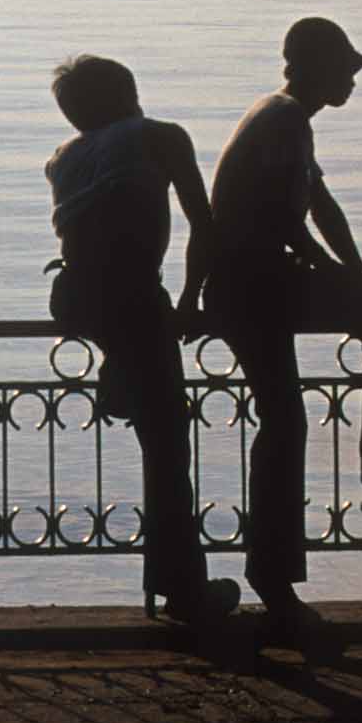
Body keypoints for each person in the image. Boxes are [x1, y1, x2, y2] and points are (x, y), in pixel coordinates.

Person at [205, 17, 362, 638]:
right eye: (347, 70)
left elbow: (322, 206)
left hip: (258, 283)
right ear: (316, 69)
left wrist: (360, 280)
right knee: (285, 420)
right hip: (256, 286)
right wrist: (347, 281)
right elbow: (291, 227)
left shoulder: (285, 117)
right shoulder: (285, 120)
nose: (353, 82)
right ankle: (280, 573)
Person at [43, 54, 241, 627]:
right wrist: (188, 302)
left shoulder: (63, 158)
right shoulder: (162, 137)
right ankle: (183, 591)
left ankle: (119, 372)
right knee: (168, 445)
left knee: (154, 418)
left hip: (74, 298)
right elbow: (202, 226)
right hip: (132, 298)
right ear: (131, 92)